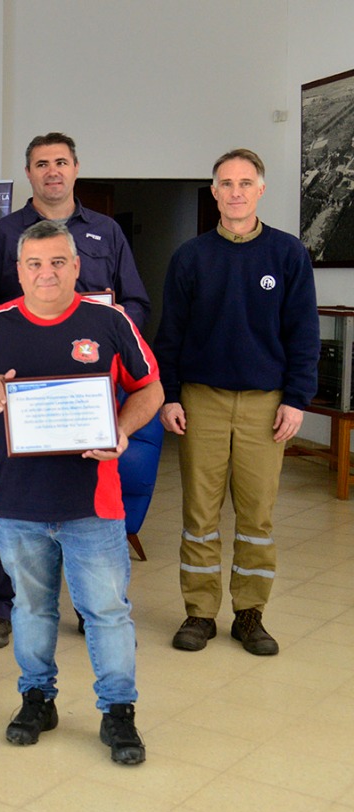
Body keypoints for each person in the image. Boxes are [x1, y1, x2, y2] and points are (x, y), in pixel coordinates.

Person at [0, 219, 161, 765]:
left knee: (107, 612)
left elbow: (150, 389)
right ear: (19, 271)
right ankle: (37, 698)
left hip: (92, 503)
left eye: (58, 262)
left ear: (77, 267)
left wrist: (122, 429)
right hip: (16, 502)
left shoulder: (109, 321)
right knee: (32, 609)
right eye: (35, 264)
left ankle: (118, 711)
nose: (47, 273)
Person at [0, 132, 151, 650]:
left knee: (83, 492)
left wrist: (103, 334)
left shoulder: (106, 232)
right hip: (22, 392)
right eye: (41, 163)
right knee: (13, 491)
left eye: (61, 162)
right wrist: (9, 344)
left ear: (76, 168)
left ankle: (92, 606)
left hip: (88, 385)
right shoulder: (3, 234)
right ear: (29, 173)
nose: (52, 171)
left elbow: (133, 301)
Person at [155, 148, 319, 656]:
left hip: (266, 406)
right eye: (226, 183)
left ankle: (250, 615)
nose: (236, 192)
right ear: (214, 192)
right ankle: (199, 614)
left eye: (245, 182)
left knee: (257, 515)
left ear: (261, 189)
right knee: (199, 513)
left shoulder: (288, 255)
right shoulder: (191, 257)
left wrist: (296, 398)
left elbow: (303, 334)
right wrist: (170, 396)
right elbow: (171, 335)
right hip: (201, 401)